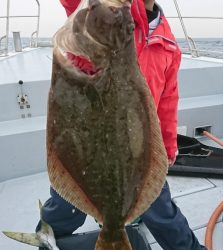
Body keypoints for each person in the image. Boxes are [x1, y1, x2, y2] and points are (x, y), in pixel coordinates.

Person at [39, 0, 206, 249]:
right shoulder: (115, 13)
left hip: (136, 146)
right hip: (89, 140)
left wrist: (168, 147)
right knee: (65, 203)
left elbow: (167, 101)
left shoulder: (168, 43)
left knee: (161, 209)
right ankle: (45, 238)